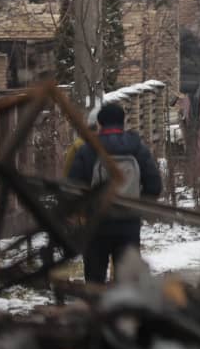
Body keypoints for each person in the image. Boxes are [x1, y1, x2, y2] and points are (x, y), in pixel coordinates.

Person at [68, 103, 163, 284]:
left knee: (94, 281)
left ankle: (95, 310)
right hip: (128, 224)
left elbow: (72, 188)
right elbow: (154, 185)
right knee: (127, 283)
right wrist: (138, 206)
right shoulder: (137, 148)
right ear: (123, 122)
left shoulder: (88, 150)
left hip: (96, 225)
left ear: (100, 123)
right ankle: (124, 311)